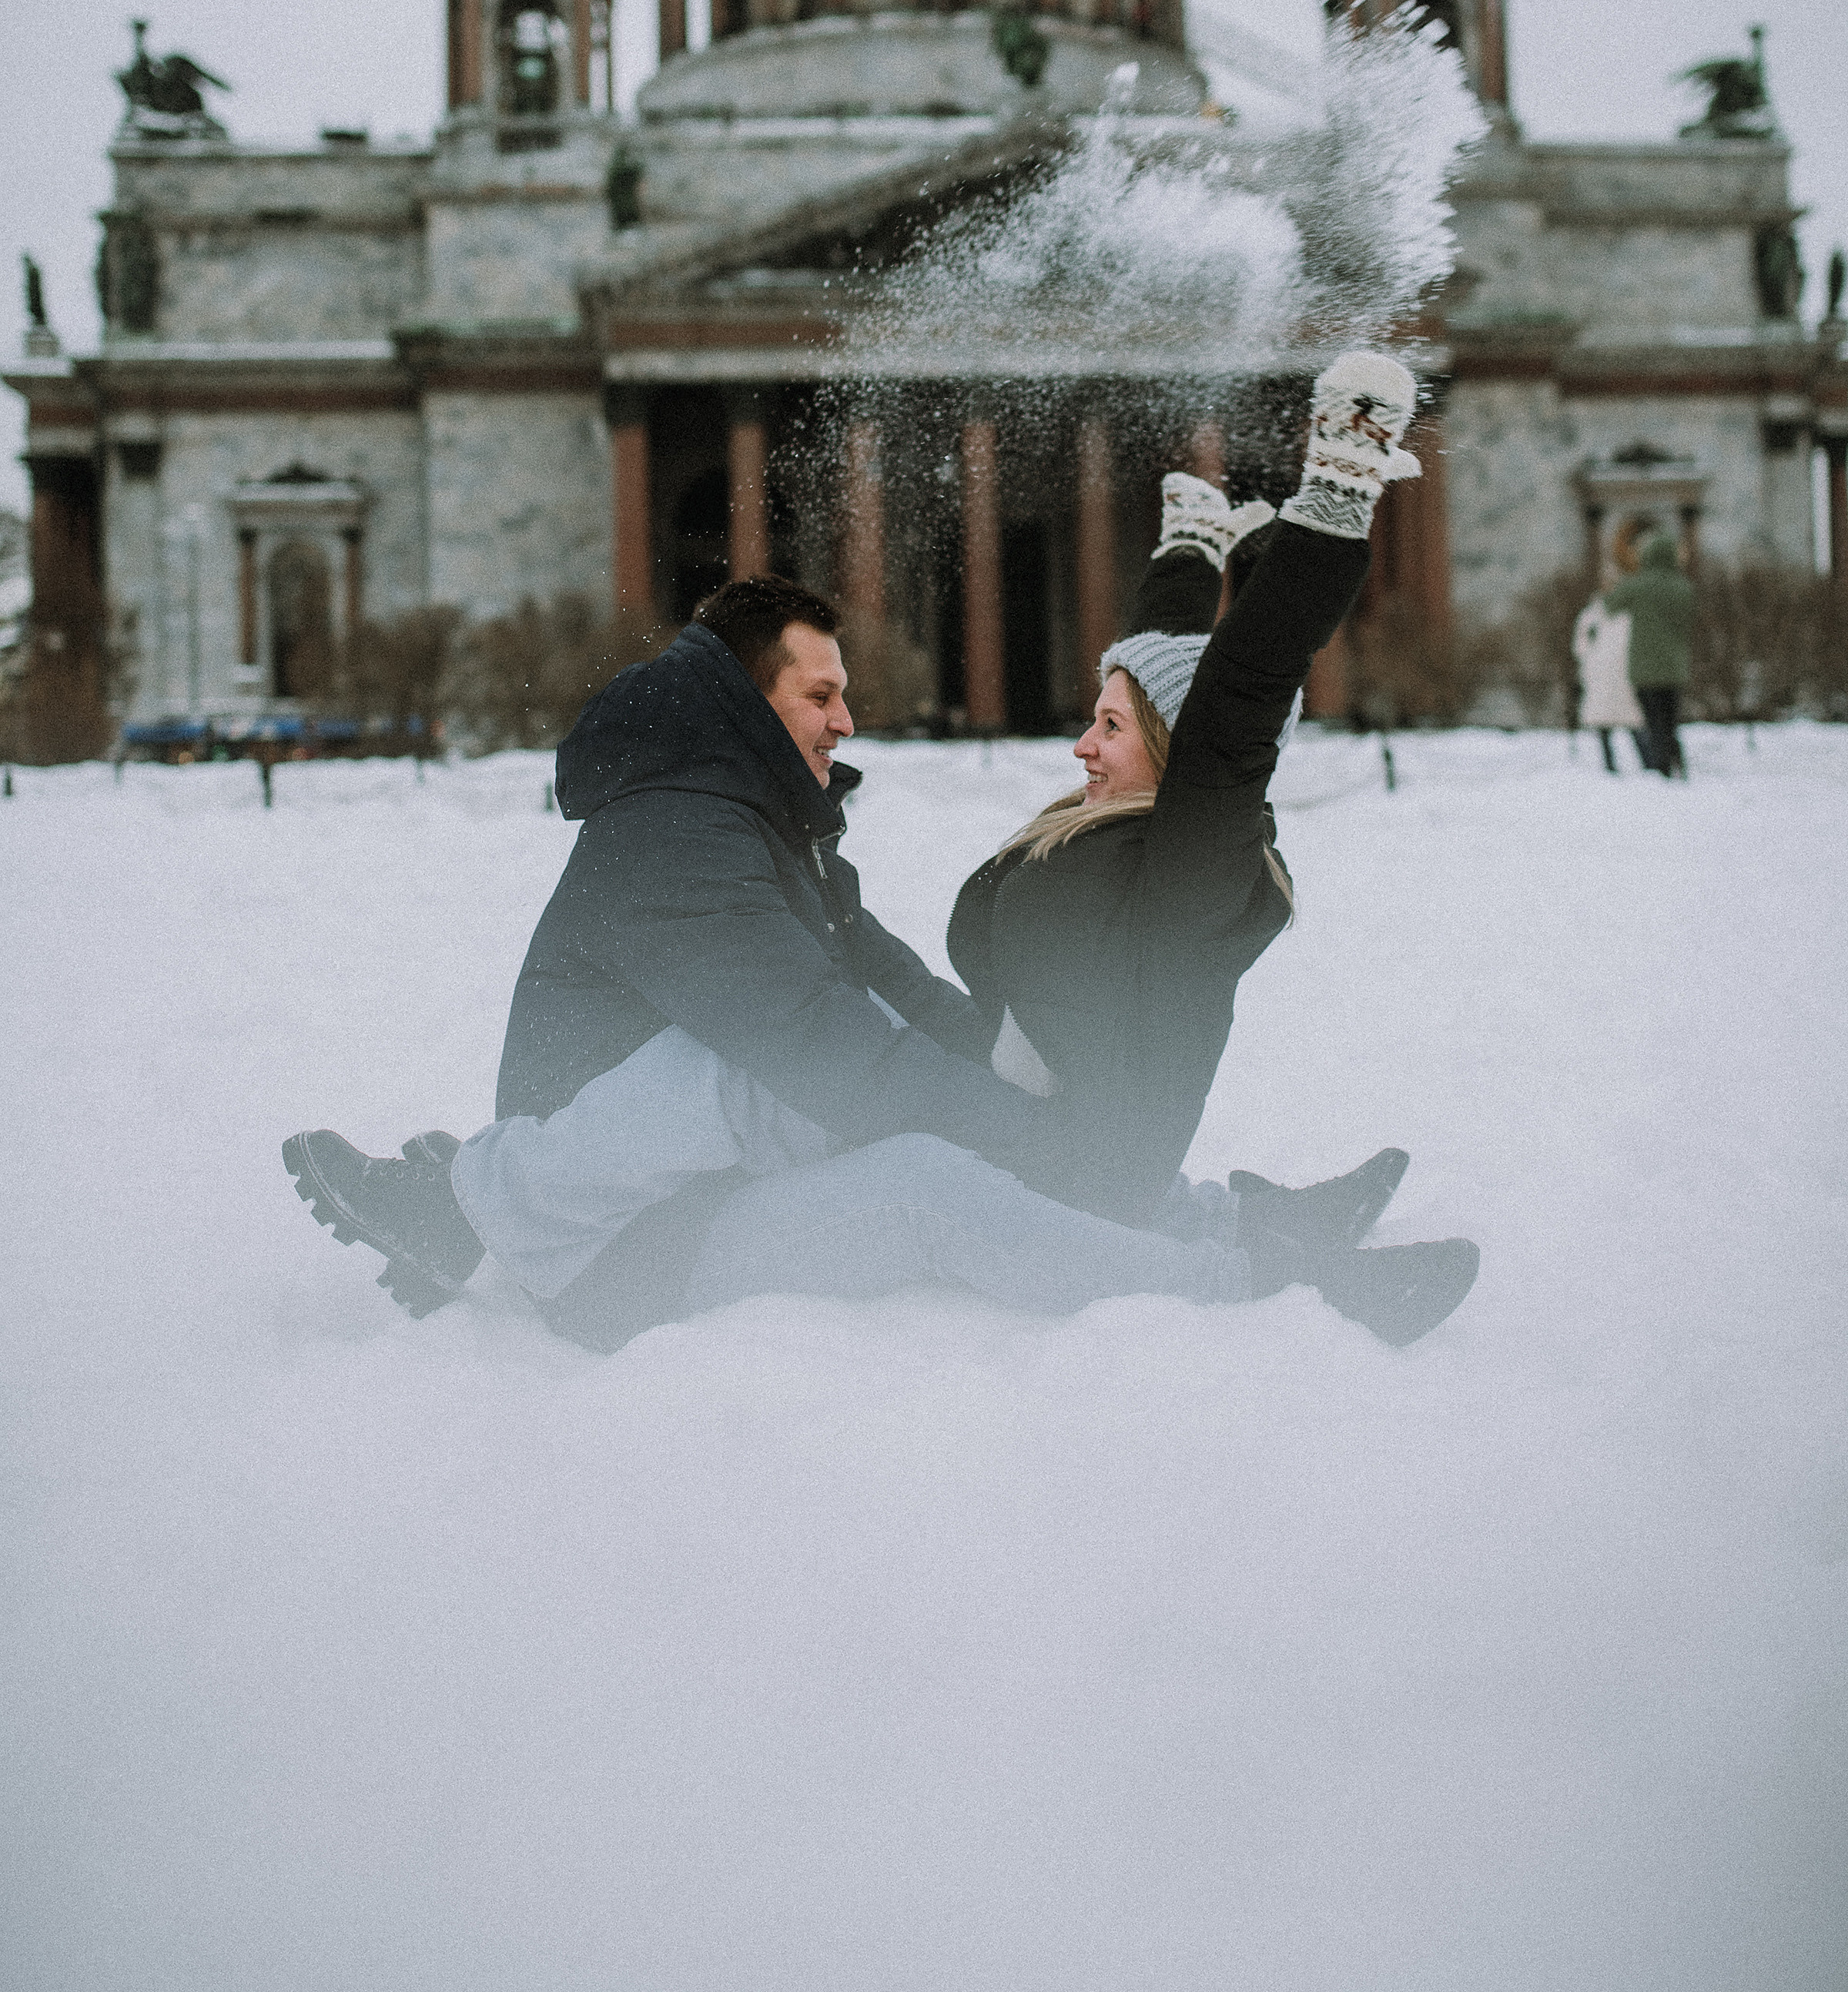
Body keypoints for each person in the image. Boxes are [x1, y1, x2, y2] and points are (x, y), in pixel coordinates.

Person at [283, 357, 1474, 1351]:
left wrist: (1002, 1082)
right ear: (748, 700)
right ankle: (1260, 1296)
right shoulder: (678, 841)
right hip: (626, 1249)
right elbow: (817, 1040)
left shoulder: (755, 818)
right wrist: (1016, 1125)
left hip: (696, 1181)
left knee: (907, 1101)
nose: (849, 718)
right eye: (823, 693)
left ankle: (1240, 1226)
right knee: (895, 1160)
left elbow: (878, 976)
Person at [943, 353, 1479, 1342]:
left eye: (1109, 728)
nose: (1082, 743)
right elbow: (1167, 674)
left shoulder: (1183, 869)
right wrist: (1189, 550)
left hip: (1057, 1181)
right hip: (1054, 1138)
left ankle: (1297, 1275)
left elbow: (1237, 687)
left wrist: (1336, 491)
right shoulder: (1133, 830)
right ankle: (1278, 1215)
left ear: (1167, 754)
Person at [1603, 527, 1695, 777]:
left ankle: (1661, 768)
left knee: (1653, 721)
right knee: (1670, 719)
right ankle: (1677, 763)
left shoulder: (1637, 585)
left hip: (1644, 667)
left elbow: (1610, 605)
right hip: (1674, 666)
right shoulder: (1683, 587)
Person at [1572, 585, 1644, 772]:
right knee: (1634, 722)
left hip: (1598, 681)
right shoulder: (1628, 617)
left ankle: (1610, 767)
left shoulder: (1588, 617)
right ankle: (1649, 764)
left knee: (1604, 725)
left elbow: (1579, 649)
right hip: (1625, 680)